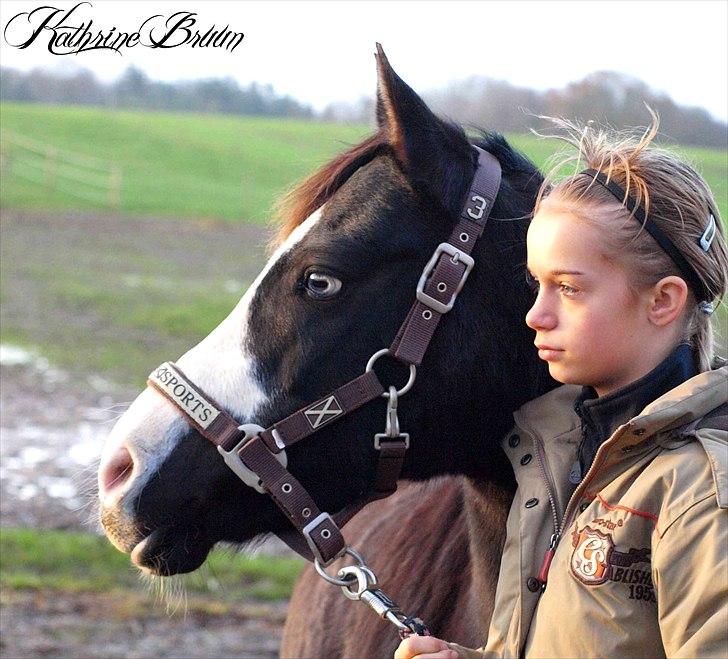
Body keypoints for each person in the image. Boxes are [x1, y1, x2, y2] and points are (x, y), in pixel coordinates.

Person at [395, 111, 728, 659]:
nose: (536, 315)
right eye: (537, 284)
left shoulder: (700, 493)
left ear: (663, 300)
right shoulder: (554, 455)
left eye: (568, 289)